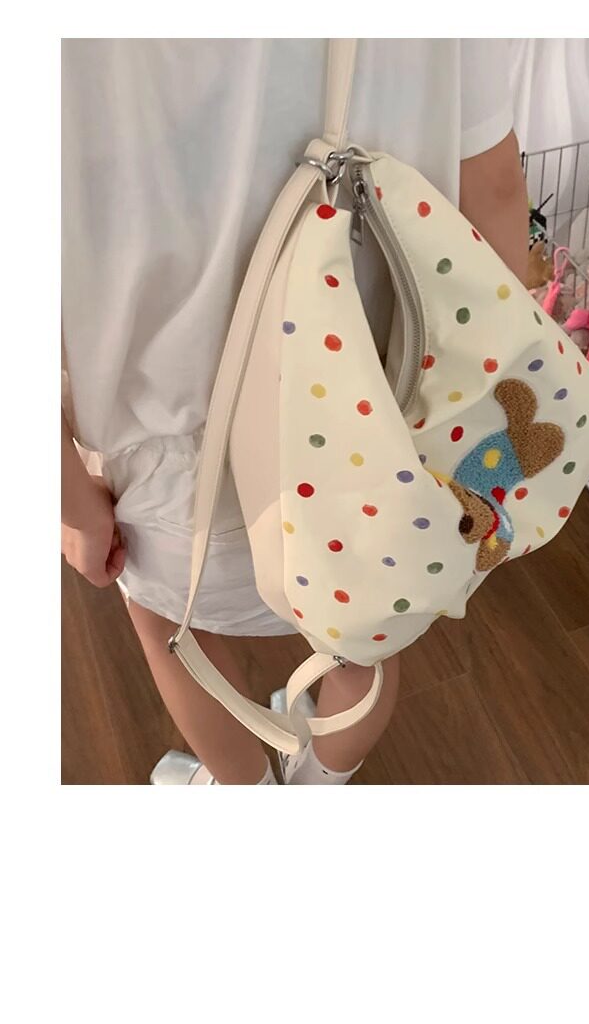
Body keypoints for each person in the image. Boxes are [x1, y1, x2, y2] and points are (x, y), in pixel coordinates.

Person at [61, 39, 530, 785]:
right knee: (366, 641)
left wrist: (74, 506)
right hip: (380, 419)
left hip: (165, 456)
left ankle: (242, 790)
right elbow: (495, 190)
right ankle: (320, 784)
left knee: (174, 632)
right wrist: (476, 418)